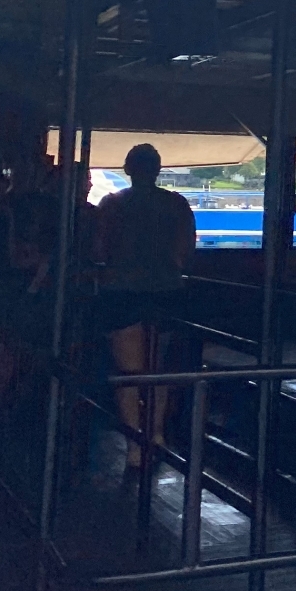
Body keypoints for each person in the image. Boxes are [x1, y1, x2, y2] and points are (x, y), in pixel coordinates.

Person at [95, 144, 196, 468]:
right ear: (157, 169)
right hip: (166, 290)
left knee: (128, 373)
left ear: (128, 169)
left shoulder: (112, 204)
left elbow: (100, 248)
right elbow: (186, 249)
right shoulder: (176, 204)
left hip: (122, 291)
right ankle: (156, 434)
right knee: (157, 368)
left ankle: (135, 443)